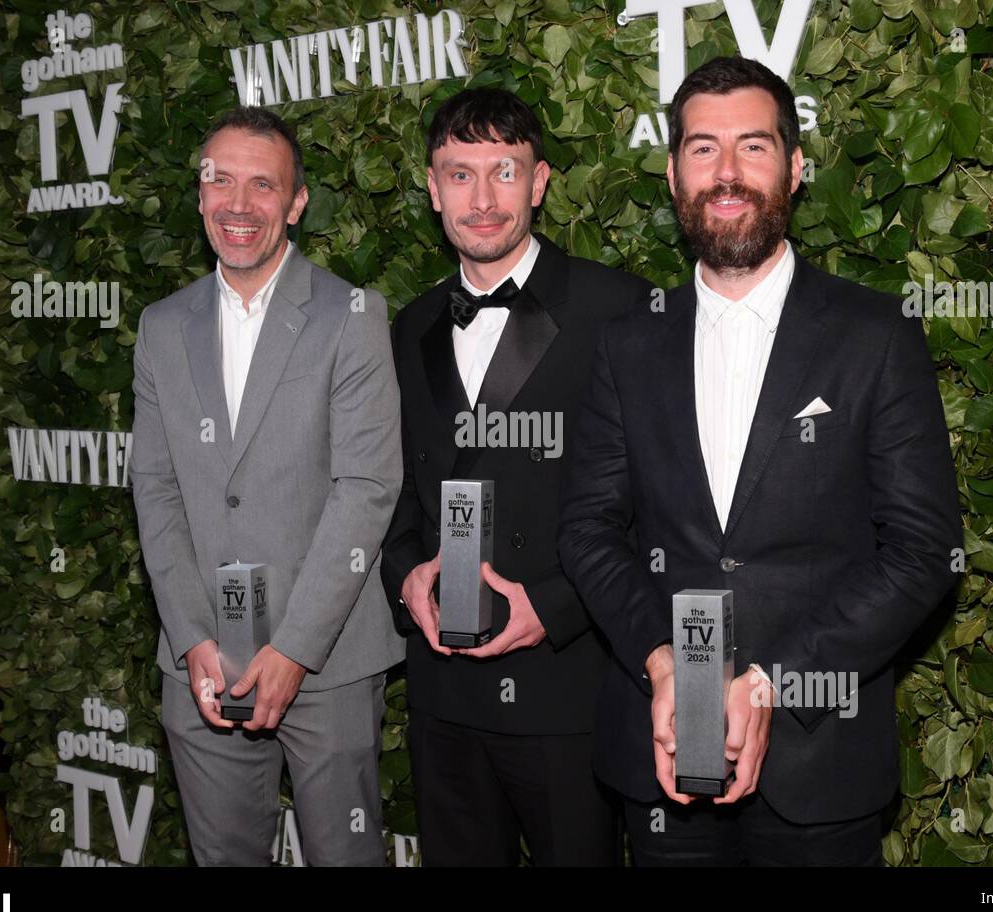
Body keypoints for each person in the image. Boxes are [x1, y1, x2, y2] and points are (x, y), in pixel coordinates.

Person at [557, 56, 962, 866]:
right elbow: (588, 530)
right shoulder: (628, 343)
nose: (728, 173)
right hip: (663, 754)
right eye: (703, 150)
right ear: (673, 173)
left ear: (796, 167)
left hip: (822, 769)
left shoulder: (875, 334)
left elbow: (924, 549)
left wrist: (775, 684)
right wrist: (667, 667)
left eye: (754, 146)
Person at [381, 89, 652, 865]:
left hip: (568, 687)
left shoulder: (618, 308)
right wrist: (406, 580)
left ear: (539, 182)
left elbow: (656, 501)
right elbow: (391, 488)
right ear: (433, 190)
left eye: (505, 171)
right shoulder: (412, 325)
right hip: (442, 691)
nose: (484, 198)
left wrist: (558, 606)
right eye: (459, 175)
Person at [130, 106, 403, 866]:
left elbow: (368, 486)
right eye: (221, 181)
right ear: (200, 194)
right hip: (203, 666)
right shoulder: (161, 327)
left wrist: (293, 650)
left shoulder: (351, 316)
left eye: (263, 185)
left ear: (296, 202)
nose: (239, 205)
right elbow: (154, 488)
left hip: (330, 659)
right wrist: (190, 638)